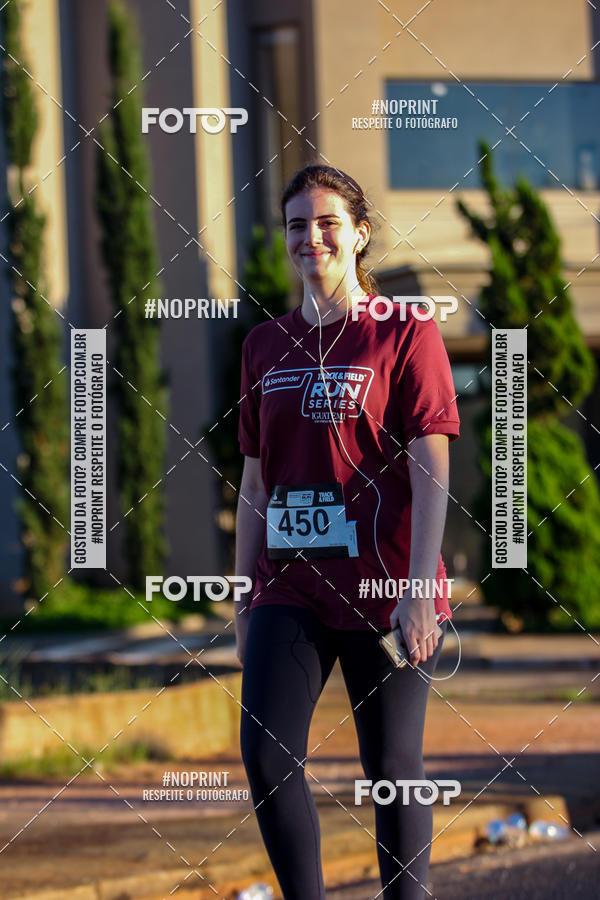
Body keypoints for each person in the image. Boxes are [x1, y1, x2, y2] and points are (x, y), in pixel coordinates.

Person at [235, 164, 460, 899]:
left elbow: (431, 463)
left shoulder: (404, 331)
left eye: (327, 221)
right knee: (269, 760)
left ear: (359, 233)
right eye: (297, 223)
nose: (311, 236)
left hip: (386, 586)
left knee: (392, 772)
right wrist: (244, 597)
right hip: (290, 584)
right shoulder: (263, 346)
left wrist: (419, 588)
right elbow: (256, 485)